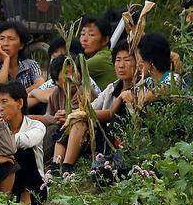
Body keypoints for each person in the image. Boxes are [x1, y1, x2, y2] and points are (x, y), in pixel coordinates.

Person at [51, 40, 135, 171]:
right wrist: (74, 113)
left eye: (127, 60)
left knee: (78, 120)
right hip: (98, 131)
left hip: (115, 137)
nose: (121, 65)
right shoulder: (112, 88)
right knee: (72, 120)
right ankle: (57, 166)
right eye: (118, 60)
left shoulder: (139, 89)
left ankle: (66, 167)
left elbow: (107, 114)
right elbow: (92, 107)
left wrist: (80, 113)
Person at [0, 82, 47, 205]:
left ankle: (25, 200)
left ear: (20, 103)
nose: (0, 108)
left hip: (35, 188)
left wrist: (0, 143)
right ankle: (3, 201)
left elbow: (22, 142)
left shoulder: (36, 126)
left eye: (4, 102)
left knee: (22, 151)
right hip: (2, 181)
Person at [29, 55, 98, 165]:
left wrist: (67, 116)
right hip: (62, 133)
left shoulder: (84, 90)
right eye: (66, 73)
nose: (72, 77)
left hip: (85, 135)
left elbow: (85, 116)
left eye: (74, 72)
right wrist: (31, 118)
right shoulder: (56, 93)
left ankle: (59, 165)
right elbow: (49, 116)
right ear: (56, 81)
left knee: (54, 130)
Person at [28, 37, 101, 108]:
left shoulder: (86, 84)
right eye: (55, 52)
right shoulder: (53, 81)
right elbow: (30, 100)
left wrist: (37, 93)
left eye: (64, 54)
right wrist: (35, 93)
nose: (58, 57)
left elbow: (48, 96)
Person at [0, 21, 44, 93]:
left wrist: (17, 98)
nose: (5, 43)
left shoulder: (30, 65)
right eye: (1, 39)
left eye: (11, 39)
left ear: (21, 45)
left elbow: (40, 84)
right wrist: (6, 61)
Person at [80, 16, 117, 90]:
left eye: (91, 35)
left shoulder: (101, 59)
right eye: (83, 34)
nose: (84, 39)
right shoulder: (104, 55)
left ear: (105, 40)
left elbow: (68, 72)